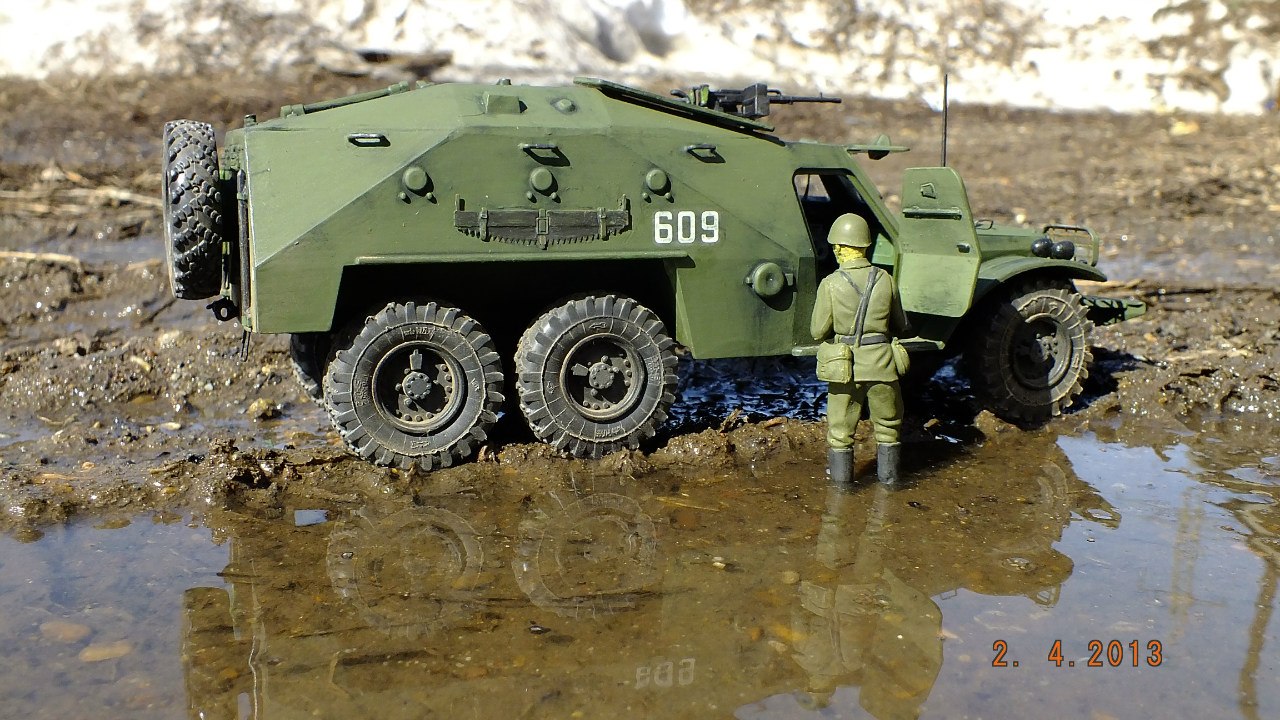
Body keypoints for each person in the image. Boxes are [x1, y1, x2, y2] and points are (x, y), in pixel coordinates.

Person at [810, 213, 910, 485]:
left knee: (840, 434)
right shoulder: (886, 279)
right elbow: (901, 324)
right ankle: (889, 484)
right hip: (882, 365)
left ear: (839, 248)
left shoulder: (831, 283)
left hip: (846, 369)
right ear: (865, 246)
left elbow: (818, 330)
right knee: (888, 429)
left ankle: (841, 489)